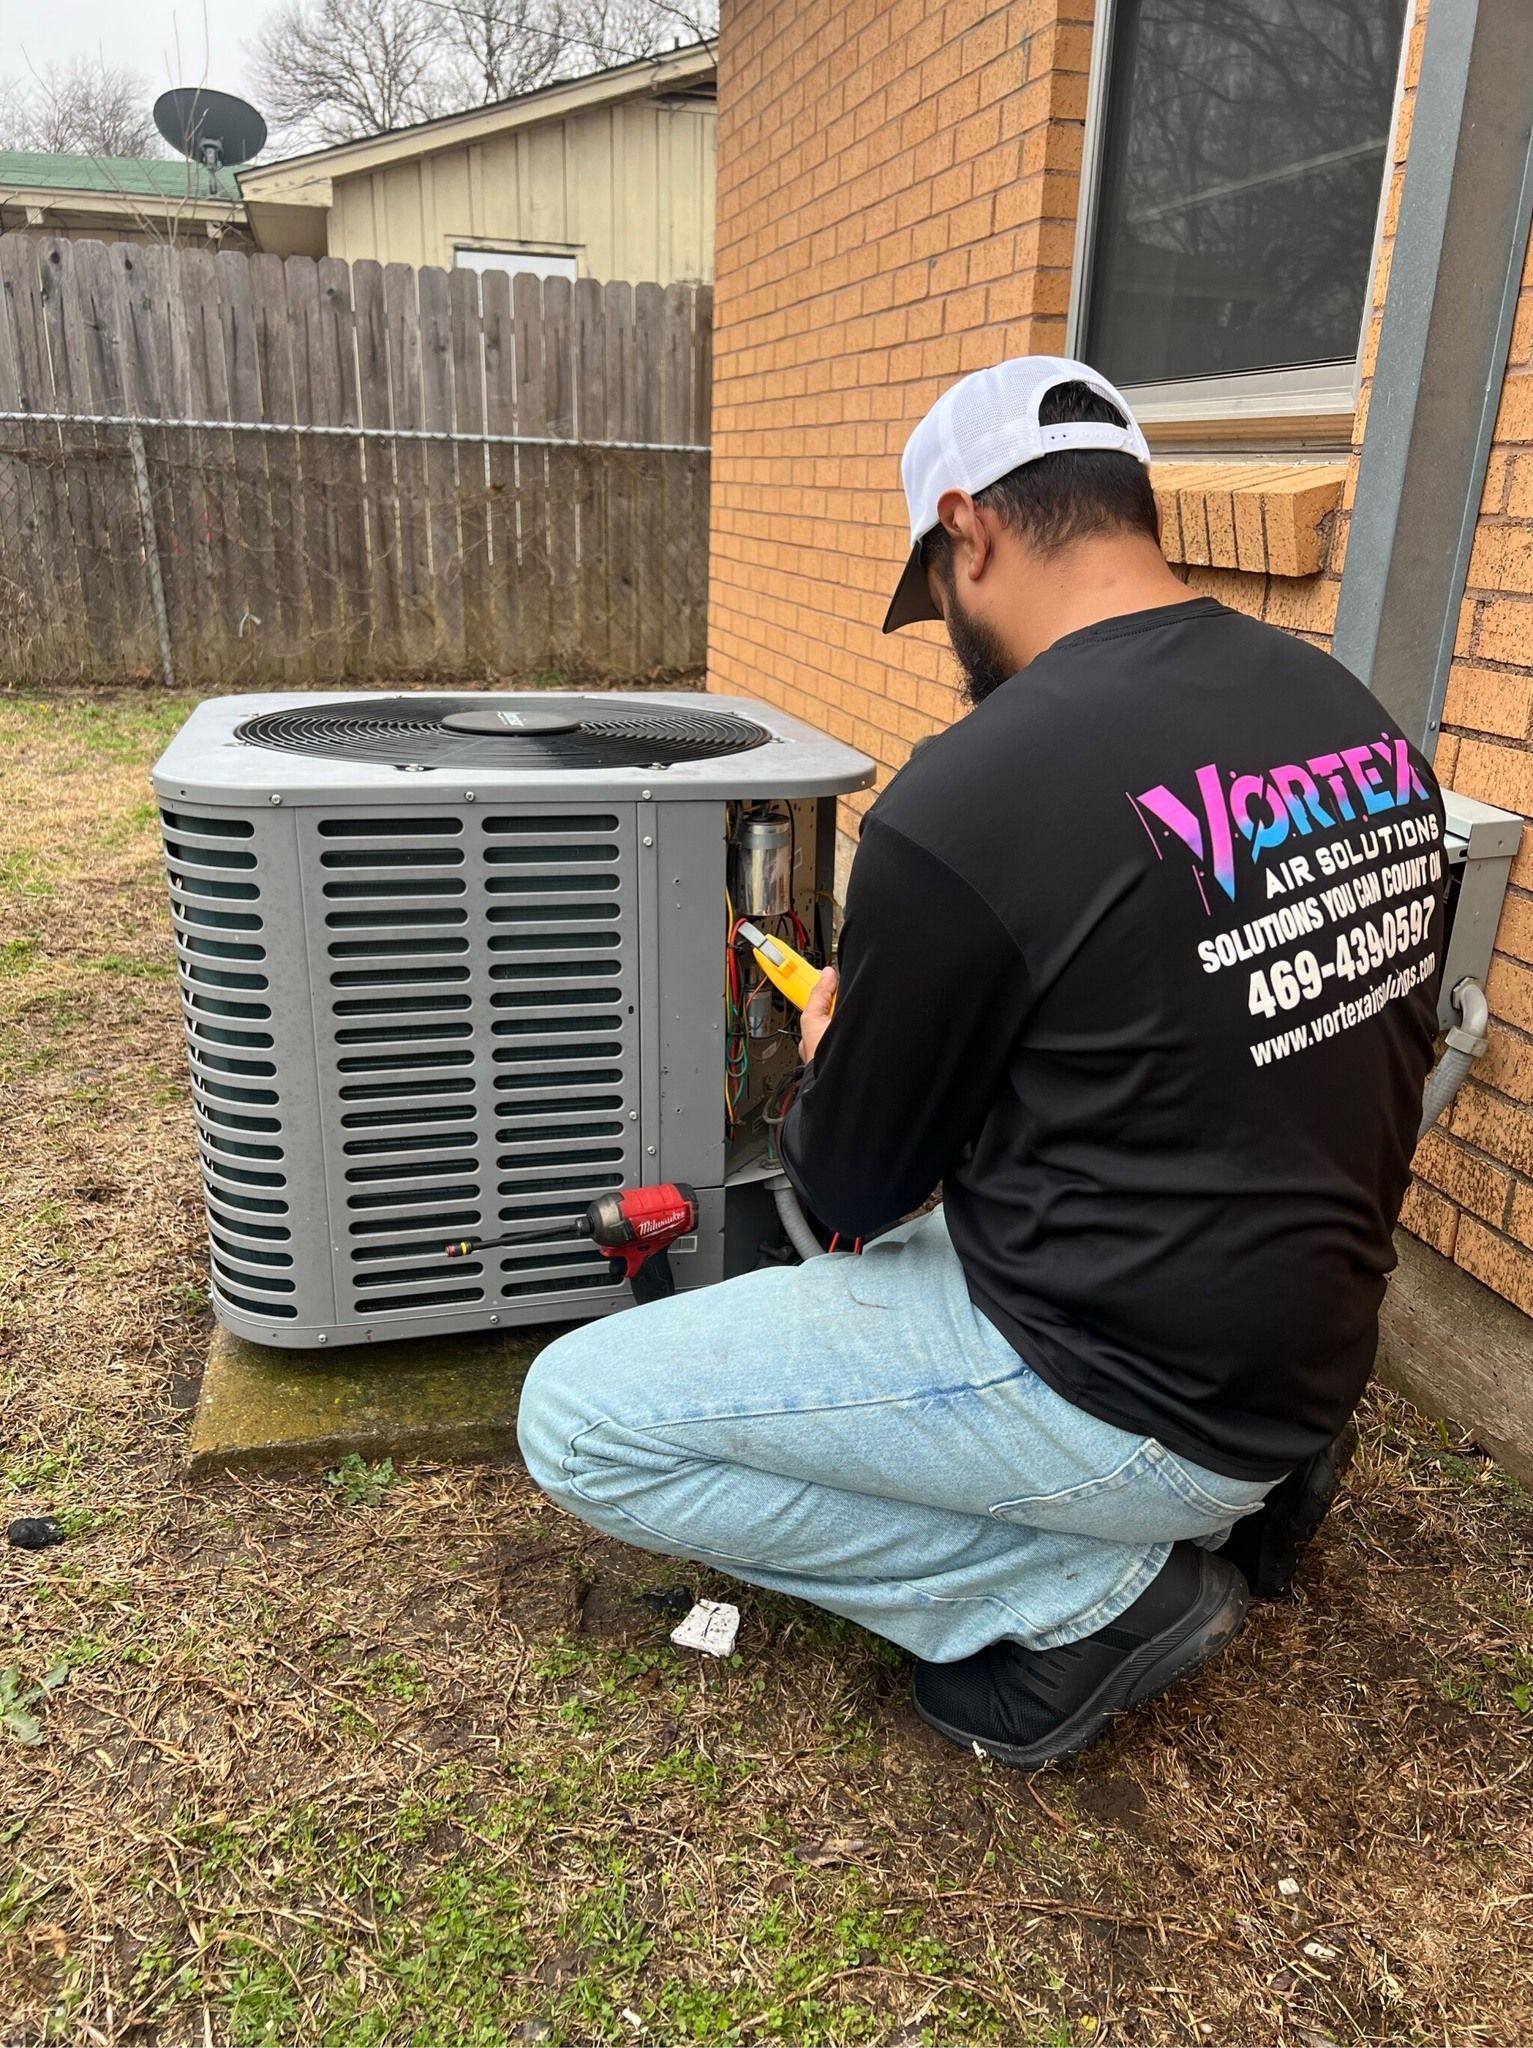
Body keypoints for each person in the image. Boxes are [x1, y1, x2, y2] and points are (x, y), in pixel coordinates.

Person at [517, 356, 1446, 1769]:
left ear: (969, 529)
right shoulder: (1349, 722)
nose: (950, 625)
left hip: (1137, 1395)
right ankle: (1234, 1491)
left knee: (578, 1420)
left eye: (939, 587)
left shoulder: (976, 795)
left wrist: (845, 1042)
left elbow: (845, 1189)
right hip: (1300, 1350)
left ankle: (1086, 1595)